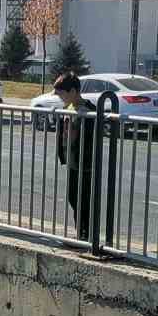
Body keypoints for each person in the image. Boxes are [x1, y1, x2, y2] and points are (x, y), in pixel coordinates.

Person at [52, 70, 99, 238]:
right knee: (73, 197)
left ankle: (86, 235)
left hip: (85, 163)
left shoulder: (89, 110)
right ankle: (80, 233)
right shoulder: (68, 107)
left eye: (61, 95)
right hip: (72, 160)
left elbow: (90, 136)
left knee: (84, 199)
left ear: (73, 91)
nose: (59, 98)